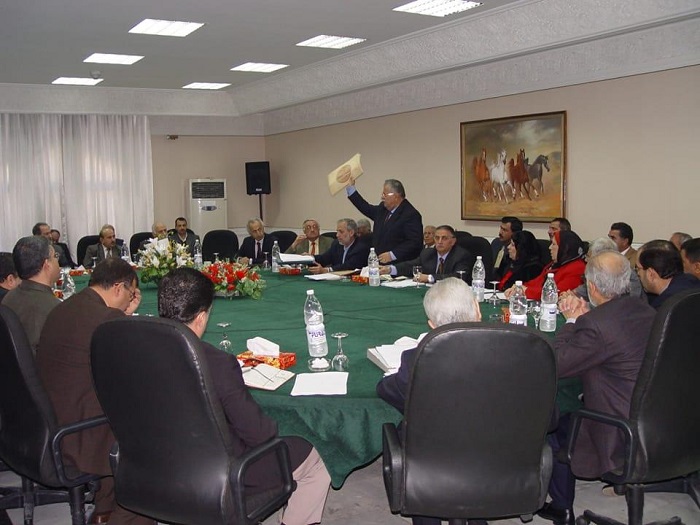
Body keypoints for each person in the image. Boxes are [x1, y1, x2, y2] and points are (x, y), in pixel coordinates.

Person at [158, 268, 330, 525]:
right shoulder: (216, 363)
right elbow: (260, 434)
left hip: (155, 462)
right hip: (221, 471)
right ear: (202, 317)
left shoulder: (136, 349)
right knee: (317, 457)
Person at [537, 251, 656, 525]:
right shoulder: (646, 310)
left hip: (617, 429)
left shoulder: (596, 325)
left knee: (554, 415)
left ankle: (562, 506)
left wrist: (571, 321)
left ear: (591, 286)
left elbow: (556, 364)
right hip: (656, 423)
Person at [36, 258, 148, 525]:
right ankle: (125, 517)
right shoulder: (106, 319)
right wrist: (123, 318)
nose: (131, 299)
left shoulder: (65, 307)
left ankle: (103, 510)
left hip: (47, 421)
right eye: (131, 293)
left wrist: (123, 315)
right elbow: (135, 372)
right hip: (78, 434)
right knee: (149, 432)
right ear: (119, 288)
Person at [376, 277, 484, 525]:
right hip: (500, 460)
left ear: (432, 325)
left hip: (431, 466)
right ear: (477, 308)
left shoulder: (415, 360)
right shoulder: (522, 352)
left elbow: (386, 390)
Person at [2, 236, 60, 354]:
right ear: (47, 265)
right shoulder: (53, 308)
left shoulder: (9, 297)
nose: (57, 261)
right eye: (55, 256)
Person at [346, 178, 423, 264]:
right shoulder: (383, 209)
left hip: (399, 265)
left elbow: (414, 243)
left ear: (396, 196)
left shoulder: (410, 214)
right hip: (379, 264)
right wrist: (351, 189)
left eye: (384, 194)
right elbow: (365, 208)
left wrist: (392, 255)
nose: (382, 197)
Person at [505, 230, 586, 300]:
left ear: (565, 248)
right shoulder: (555, 264)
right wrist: (518, 287)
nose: (550, 247)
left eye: (553, 244)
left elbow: (554, 294)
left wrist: (525, 291)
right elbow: (537, 282)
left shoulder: (577, 268)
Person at [381, 225, 475, 284]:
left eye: (444, 238)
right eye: (437, 238)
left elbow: (458, 277)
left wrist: (430, 278)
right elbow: (410, 266)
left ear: (453, 241)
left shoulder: (461, 255)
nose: (439, 241)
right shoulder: (428, 253)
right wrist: (390, 269)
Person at [565, 237, 644, 301]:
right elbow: (583, 290)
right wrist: (570, 295)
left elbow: (616, 306)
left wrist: (583, 305)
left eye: (588, 256)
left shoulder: (628, 277)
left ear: (601, 257)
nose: (585, 260)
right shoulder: (598, 273)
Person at [636, 239, 700, 309]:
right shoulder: (691, 282)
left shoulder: (664, 305)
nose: (638, 273)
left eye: (638, 268)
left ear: (651, 274)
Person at [491, 216, 523, 280]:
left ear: (514, 233)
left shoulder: (518, 249)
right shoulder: (496, 243)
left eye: (504, 230)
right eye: (501, 228)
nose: (500, 232)